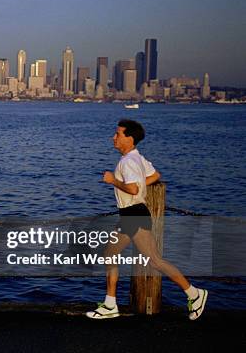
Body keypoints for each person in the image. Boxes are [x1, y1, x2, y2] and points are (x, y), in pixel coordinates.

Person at [86, 119, 208, 320]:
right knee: (109, 253)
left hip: (134, 215)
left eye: (118, 134)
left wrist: (112, 180)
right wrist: (139, 186)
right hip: (131, 215)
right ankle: (110, 304)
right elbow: (155, 175)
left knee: (154, 260)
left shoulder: (127, 162)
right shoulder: (137, 158)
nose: (113, 137)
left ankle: (194, 294)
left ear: (129, 138)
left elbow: (133, 188)